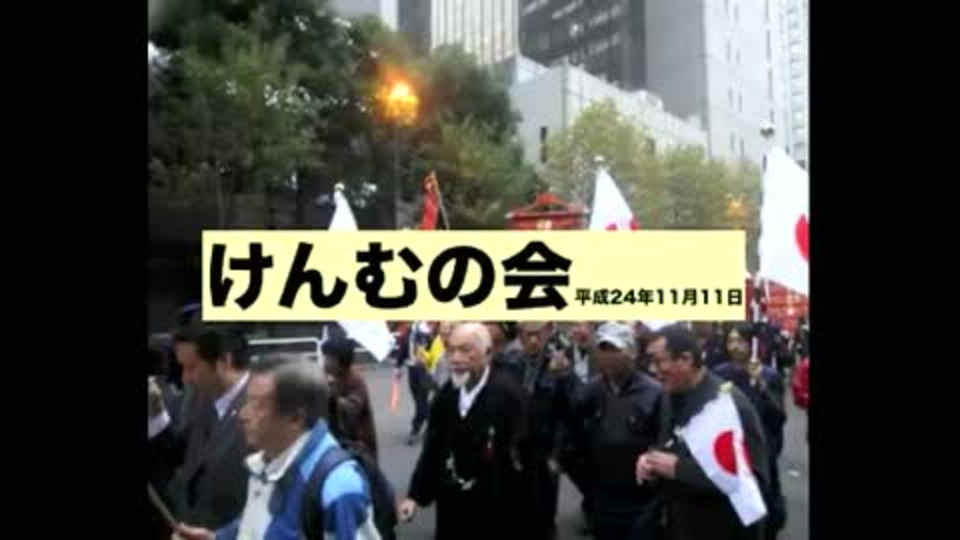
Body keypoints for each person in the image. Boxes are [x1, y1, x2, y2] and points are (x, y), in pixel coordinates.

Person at [174, 357, 382, 540]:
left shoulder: (337, 488)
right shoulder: (266, 461)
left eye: (256, 404)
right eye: (247, 401)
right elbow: (257, 524)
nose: (243, 414)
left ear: (295, 418)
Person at [398, 322, 536, 540]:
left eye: (465, 350)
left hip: (496, 508)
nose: (456, 358)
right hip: (452, 503)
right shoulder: (446, 395)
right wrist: (415, 496)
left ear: (487, 353)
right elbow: (433, 448)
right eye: (451, 350)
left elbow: (529, 462)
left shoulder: (510, 397)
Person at [637, 324, 770, 540]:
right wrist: (650, 461)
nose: (652, 370)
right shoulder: (668, 395)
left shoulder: (728, 406)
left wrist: (680, 469)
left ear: (686, 359)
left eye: (659, 361)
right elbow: (667, 445)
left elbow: (750, 483)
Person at [148, 322, 252, 534]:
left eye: (192, 367)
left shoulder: (266, 406)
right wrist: (156, 413)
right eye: (182, 367)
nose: (185, 378)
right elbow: (180, 456)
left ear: (224, 361)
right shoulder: (197, 396)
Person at [566, 322, 662, 540]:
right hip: (602, 497)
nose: (608, 356)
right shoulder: (591, 391)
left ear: (632, 353)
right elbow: (572, 433)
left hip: (640, 500)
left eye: (615, 349)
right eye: (603, 349)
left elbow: (663, 441)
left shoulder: (654, 393)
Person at [501, 322, 577, 540]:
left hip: (545, 445)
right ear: (520, 335)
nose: (533, 340)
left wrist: (556, 455)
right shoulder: (510, 362)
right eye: (528, 335)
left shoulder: (559, 364)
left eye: (538, 334)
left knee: (545, 506)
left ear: (548, 332)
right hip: (516, 444)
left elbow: (567, 414)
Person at [713, 324, 788, 538]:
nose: (735, 346)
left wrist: (761, 385)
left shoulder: (769, 375)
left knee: (762, 506)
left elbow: (778, 418)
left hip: (761, 450)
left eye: (740, 341)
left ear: (752, 343)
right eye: (731, 341)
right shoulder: (720, 373)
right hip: (731, 449)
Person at [323, 337, 379, 462]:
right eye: (325, 357)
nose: (325, 362)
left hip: (357, 440)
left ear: (340, 361)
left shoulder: (355, 379)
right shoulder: (328, 373)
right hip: (334, 435)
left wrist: (333, 396)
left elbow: (353, 408)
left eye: (329, 358)